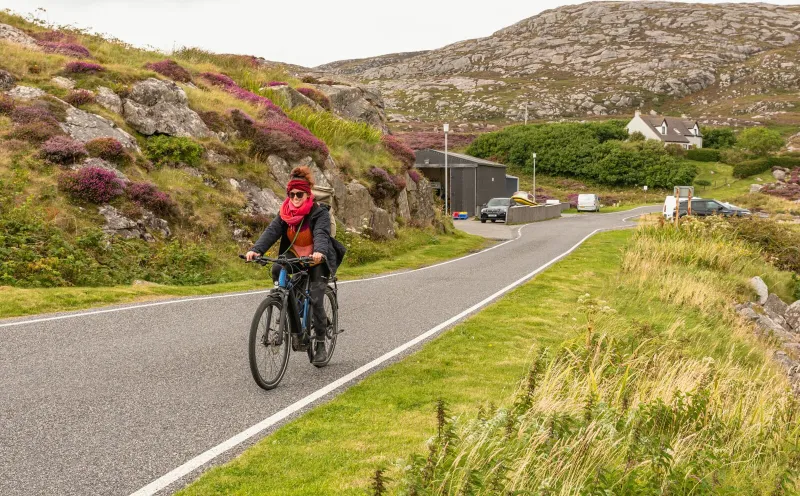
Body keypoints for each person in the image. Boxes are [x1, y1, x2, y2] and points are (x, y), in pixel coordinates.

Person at [245, 166, 344, 364]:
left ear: (308, 194)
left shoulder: (319, 213)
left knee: (316, 299)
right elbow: (272, 231)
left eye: (300, 194)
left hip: (317, 258)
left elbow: (322, 235)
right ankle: (287, 302)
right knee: (276, 268)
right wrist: (256, 250)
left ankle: (321, 344)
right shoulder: (285, 213)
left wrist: (320, 253)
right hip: (295, 255)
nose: (295, 197)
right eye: (292, 194)